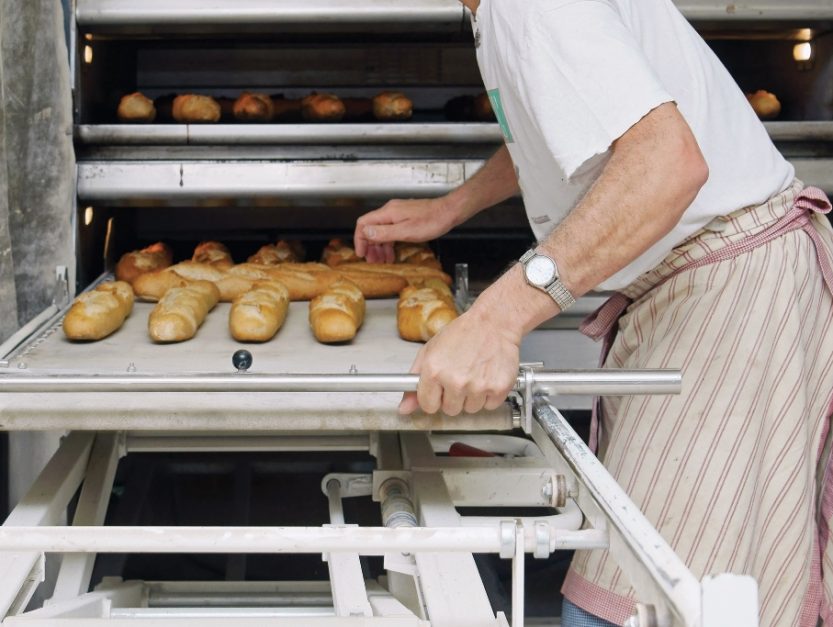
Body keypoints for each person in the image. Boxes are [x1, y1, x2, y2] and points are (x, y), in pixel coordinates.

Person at [353, 0, 833, 625]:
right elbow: (574, 127)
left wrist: (497, 320)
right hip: (694, 289)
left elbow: (666, 163)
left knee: (639, 601)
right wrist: (452, 207)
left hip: (729, 294)